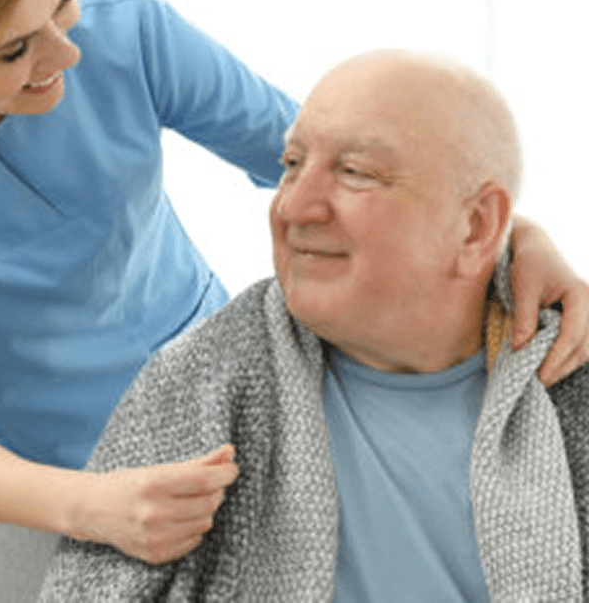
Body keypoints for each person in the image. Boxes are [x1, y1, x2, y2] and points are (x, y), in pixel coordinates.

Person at [0, 0, 584, 565]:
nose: (66, 51)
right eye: (13, 50)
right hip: (6, 471)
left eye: (60, 5)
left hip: (201, 415)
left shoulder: (127, 29)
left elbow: (321, 161)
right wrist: (89, 506)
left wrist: (509, 233)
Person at [38, 50, 589, 601]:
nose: (294, 207)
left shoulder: (571, 388)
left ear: (475, 227)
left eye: (354, 173)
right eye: (291, 164)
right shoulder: (197, 383)